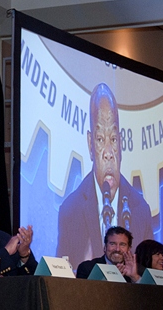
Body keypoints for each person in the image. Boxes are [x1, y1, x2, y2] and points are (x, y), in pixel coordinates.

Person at [57, 82, 153, 267]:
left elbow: (149, 274)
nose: (108, 153)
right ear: (90, 145)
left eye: (114, 139)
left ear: (121, 144)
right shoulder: (70, 210)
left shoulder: (141, 209)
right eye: (100, 139)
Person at [76, 226, 140, 282]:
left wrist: (134, 277)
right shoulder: (87, 268)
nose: (117, 249)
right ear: (105, 247)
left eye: (122, 245)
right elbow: (82, 293)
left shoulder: (138, 271)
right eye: (112, 244)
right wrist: (111, 277)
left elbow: (147, 295)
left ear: (129, 249)